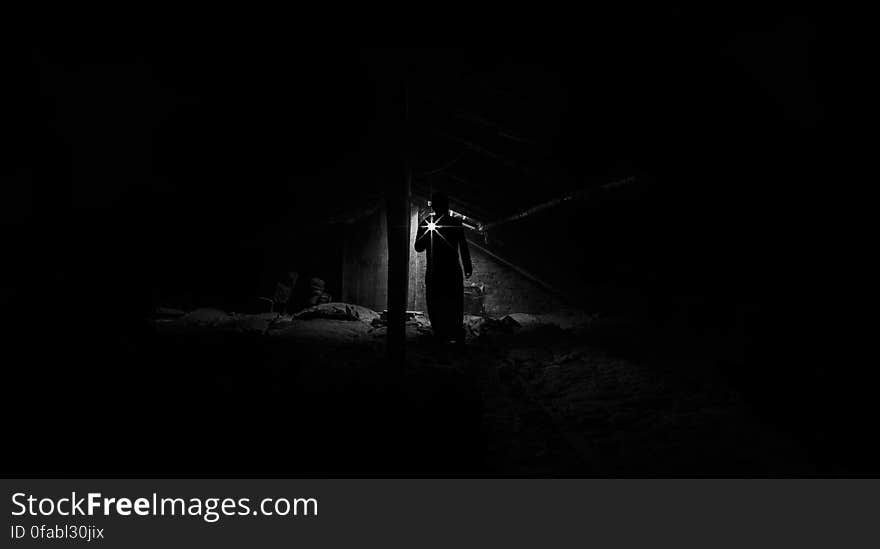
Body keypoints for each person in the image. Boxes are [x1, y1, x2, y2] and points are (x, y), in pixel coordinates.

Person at [414, 192, 473, 344]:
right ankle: (451, 334)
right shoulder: (455, 223)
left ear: (433, 207)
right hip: (451, 272)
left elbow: (418, 247)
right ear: (447, 206)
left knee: (437, 304)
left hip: (436, 273)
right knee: (453, 304)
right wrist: (467, 266)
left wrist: (427, 233)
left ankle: (442, 334)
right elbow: (464, 247)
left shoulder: (427, 222)